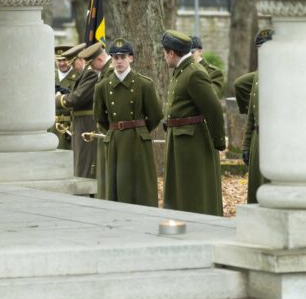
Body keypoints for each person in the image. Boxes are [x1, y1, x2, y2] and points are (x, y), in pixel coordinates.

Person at [161, 30, 226, 216]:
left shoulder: (194, 73)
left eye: (165, 53)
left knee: (193, 189)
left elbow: (213, 108)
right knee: (179, 188)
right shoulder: (181, 71)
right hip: (179, 137)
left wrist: (218, 141)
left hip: (192, 140)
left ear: (172, 53)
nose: (164, 57)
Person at [94, 38, 163, 205]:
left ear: (131, 58)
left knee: (140, 184)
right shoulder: (102, 86)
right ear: (111, 59)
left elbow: (155, 115)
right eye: (115, 57)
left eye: (123, 57)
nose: (119, 61)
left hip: (137, 140)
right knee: (117, 186)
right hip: (115, 141)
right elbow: (100, 118)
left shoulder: (144, 84)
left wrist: (140, 130)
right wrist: (115, 131)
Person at [242, 28, 275, 204]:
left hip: (275, 140)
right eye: (259, 48)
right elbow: (251, 114)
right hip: (258, 138)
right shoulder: (259, 73)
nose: (262, 51)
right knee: (255, 189)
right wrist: (247, 145)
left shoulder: (283, 73)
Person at [56, 43, 97, 178]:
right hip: (79, 124)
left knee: (84, 165)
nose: (72, 67)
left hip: (86, 124)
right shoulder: (84, 74)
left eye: (73, 64)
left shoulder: (90, 74)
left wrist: (58, 99)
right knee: (79, 164)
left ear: (81, 59)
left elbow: (77, 98)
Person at [78, 42, 112, 193]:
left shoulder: (110, 72)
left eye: (91, 64)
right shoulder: (105, 72)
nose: (90, 68)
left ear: (98, 59)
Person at [50, 45, 80, 150]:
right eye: (59, 60)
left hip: (68, 127)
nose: (62, 63)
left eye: (64, 60)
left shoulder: (79, 77)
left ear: (71, 59)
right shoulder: (48, 75)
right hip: (50, 128)